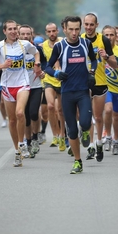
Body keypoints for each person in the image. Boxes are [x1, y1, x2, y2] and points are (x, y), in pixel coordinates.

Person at [0, 20, 41, 167]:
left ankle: (22, 143)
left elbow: (36, 52)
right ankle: (17, 150)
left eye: (15, 28)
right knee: (12, 120)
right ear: (4, 31)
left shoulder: (24, 44)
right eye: (10, 29)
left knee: (20, 113)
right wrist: (2, 66)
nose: (13, 31)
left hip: (23, 83)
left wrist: (37, 64)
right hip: (7, 86)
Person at [45, 15, 97, 174]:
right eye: (71, 29)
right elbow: (47, 67)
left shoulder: (86, 43)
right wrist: (56, 74)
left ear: (80, 29)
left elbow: (94, 60)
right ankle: (77, 161)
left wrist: (91, 72)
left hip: (82, 91)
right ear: (65, 29)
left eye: (77, 29)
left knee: (86, 122)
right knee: (72, 131)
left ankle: (86, 131)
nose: (74, 33)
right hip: (67, 92)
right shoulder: (60, 47)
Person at [81, 12, 118, 162]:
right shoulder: (79, 39)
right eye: (87, 24)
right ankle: (90, 144)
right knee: (85, 116)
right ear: (83, 25)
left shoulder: (103, 40)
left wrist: (107, 57)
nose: (89, 27)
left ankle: (98, 143)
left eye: (92, 24)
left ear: (97, 25)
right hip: (83, 82)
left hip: (100, 82)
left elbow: (115, 65)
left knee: (97, 116)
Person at [19, 24, 47, 156]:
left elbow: (47, 64)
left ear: (32, 35)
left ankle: (35, 137)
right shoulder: (15, 50)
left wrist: (43, 72)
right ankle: (28, 141)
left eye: (27, 34)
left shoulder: (37, 50)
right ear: (18, 35)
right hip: (22, 87)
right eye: (22, 34)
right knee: (25, 116)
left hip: (35, 86)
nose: (25, 36)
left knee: (34, 113)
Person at [101, 25, 118, 155]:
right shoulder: (98, 51)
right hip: (105, 87)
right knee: (108, 110)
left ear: (116, 36)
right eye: (107, 35)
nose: (109, 37)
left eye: (112, 35)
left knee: (117, 116)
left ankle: (116, 141)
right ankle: (108, 136)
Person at [41, 22, 66, 150]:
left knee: (61, 110)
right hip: (49, 79)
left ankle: (62, 135)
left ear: (58, 31)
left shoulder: (63, 42)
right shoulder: (43, 46)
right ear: (46, 33)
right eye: (49, 31)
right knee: (50, 106)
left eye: (53, 31)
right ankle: (55, 135)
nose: (51, 34)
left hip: (61, 80)